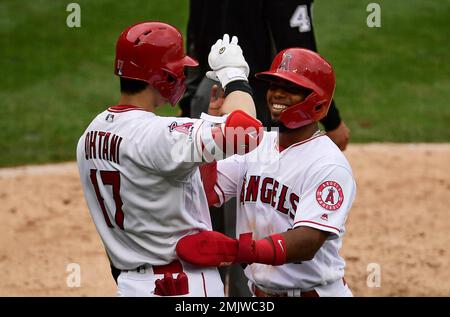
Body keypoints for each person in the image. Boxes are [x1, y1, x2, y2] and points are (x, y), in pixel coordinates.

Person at [76, 21, 263, 297]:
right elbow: (246, 131)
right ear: (164, 76)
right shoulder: (157, 135)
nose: (183, 77)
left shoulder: (89, 136)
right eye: (180, 70)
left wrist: (210, 121)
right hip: (182, 286)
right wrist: (235, 76)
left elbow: (191, 184)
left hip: (130, 285)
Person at [176, 48, 356, 297]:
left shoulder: (328, 164)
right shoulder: (256, 145)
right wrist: (213, 127)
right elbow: (208, 193)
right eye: (274, 84)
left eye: (290, 87)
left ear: (317, 101)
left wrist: (240, 250)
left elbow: (307, 241)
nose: (277, 93)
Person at [180, 0, 350, 151]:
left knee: (205, 181)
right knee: (255, 181)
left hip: (208, 99)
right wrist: (332, 121)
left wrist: (188, 105)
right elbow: (299, 57)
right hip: (256, 106)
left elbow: (193, 42)